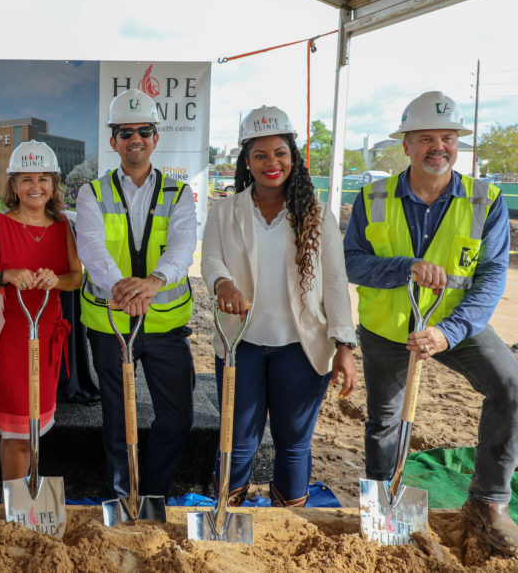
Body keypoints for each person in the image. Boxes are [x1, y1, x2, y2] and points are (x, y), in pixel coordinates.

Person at [345, 90, 518, 554]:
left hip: (455, 327)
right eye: (425, 138)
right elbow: (352, 263)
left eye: (447, 137)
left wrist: (448, 332)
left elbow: (490, 277)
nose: (437, 147)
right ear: (406, 146)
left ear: (457, 143)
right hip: (388, 328)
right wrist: (406, 266)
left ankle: (488, 501)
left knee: (510, 385)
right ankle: (385, 505)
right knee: (385, 419)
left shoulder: (487, 200)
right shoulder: (372, 196)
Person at [202, 106, 357, 507]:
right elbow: (211, 259)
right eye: (260, 155)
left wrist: (343, 344)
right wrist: (223, 283)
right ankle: (225, 512)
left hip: (302, 348)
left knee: (293, 443)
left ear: (293, 157)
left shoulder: (316, 213)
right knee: (237, 441)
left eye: (280, 153)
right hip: (241, 344)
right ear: (246, 162)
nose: (272, 163)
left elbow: (336, 280)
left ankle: (290, 521)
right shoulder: (225, 210)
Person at [75, 87, 197, 499]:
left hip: (165, 327)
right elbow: (91, 248)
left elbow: (183, 246)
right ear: (113, 142)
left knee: (178, 419)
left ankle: (153, 495)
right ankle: (121, 495)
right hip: (110, 324)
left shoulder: (179, 194)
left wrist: (154, 283)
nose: (135, 139)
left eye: (144, 130)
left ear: (155, 138)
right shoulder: (92, 192)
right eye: (125, 133)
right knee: (116, 419)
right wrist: (122, 290)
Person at [0, 140, 83, 479]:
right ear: (14, 186)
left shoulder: (63, 227)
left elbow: (75, 279)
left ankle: (21, 505)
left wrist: (54, 280)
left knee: (34, 428)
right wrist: (6, 276)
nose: (36, 187)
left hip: (46, 337)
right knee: (18, 434)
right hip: (12, 339)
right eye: (27, 179)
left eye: (43, 178)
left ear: (54, 185)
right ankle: (15, 513)